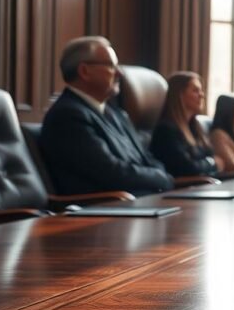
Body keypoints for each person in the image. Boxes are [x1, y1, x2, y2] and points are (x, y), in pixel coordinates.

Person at [40, 36, 174, 196]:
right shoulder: (68, 115)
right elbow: (112, 173)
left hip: (141, 199)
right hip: (103, 208)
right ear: (85, 71)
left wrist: (162, 177)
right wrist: (162, 178)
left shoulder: (116, 113)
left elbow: (147, 158)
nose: (120, 73)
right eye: (111, 66)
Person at [150, 72, 222, 177]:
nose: (202, 95)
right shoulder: (166, 130)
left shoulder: (195, 127)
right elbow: (188, 169)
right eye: (195, 90)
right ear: (179, 95)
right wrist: (212, 162)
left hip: (204, 185)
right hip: (182, 189)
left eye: (201, 90)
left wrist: (210, 162)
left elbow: (211, 157)